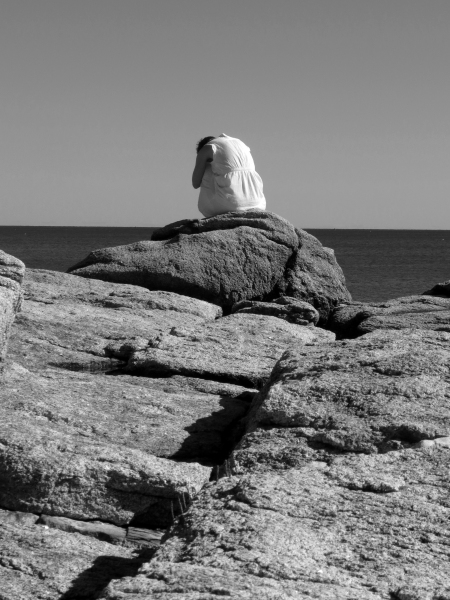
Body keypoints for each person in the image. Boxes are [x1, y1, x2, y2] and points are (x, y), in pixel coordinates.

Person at [192, 133, 266, 218]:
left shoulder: (207, 148)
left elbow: (195, 183)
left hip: (230, 204)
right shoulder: (240, 143)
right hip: (259, 203)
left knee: (207, 167)